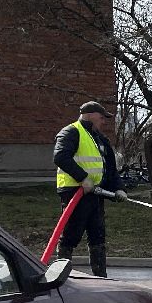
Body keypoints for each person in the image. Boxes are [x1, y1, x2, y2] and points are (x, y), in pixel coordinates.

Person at [53, 100, 126, 277]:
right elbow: (61, 156)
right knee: (71, 234)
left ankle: (101, 277)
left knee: (98, 235)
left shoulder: (101, 139)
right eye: (101, 117)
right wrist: (83, 178)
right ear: (91, 115)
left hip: (95, 194)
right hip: (75, 193)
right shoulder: (71, 132)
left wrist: (118, 188)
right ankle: (60, 277)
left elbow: (109, 168)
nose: (103, 121)